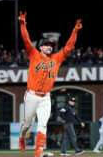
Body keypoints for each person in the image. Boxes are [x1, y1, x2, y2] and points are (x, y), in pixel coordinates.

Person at [17, 12, 82, 157]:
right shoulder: (33, 54)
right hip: (32, 95)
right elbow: (26, 39)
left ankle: (38, 150)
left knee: (43, 124)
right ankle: (22, 137)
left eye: (51, 45)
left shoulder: (56, 58)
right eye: (46, 45)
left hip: (45, 97)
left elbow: (69, 47)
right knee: (27, 124)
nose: (49, 47)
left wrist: (74, 31)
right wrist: (22, 24)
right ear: (40, 47)